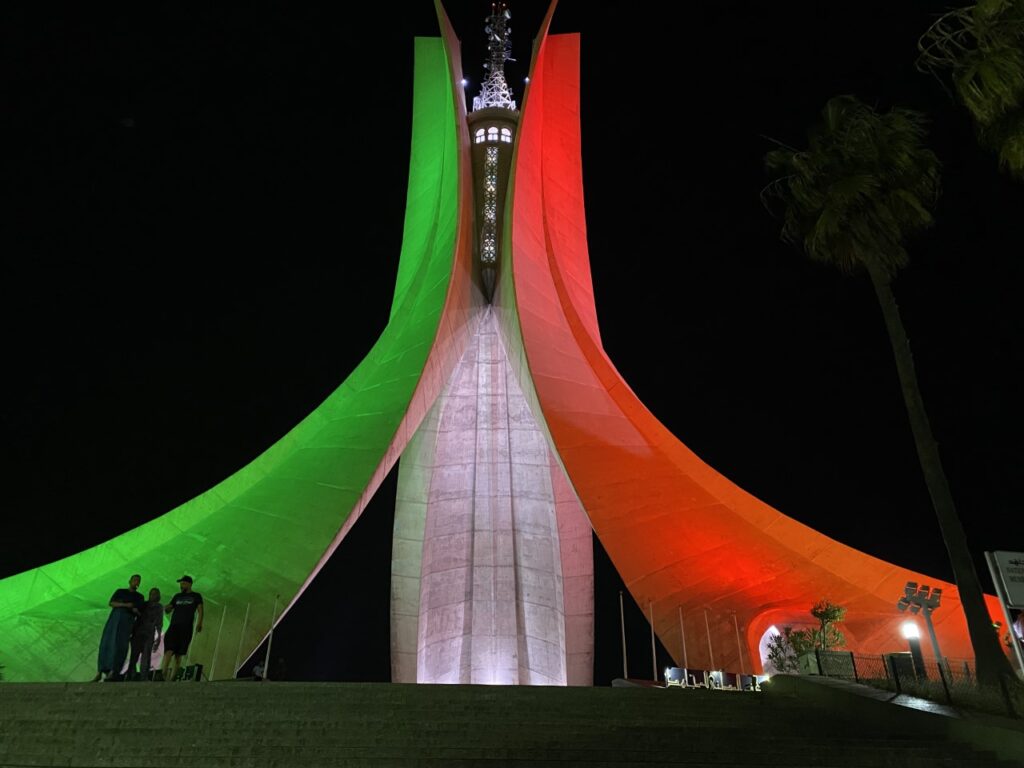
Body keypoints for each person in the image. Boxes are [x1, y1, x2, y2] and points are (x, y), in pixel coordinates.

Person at [92, 574, 144, 682]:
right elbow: (111, 603)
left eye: (138, 581)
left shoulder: (139, 597)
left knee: (119, 645)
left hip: (127, 622)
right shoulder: (120, 591)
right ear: (130, 581)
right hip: (114, 620)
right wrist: (125, 605)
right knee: (106, 643)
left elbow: (140, 612)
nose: (136, 582)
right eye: (134, 580)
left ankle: (113, 671)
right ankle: (99, 672)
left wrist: (135, 611)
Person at [160, 575, 203, 682]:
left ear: (189, 584)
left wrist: (199, 623)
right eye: (180, 583)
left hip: (186, 627)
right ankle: (162, 673)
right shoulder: (177, 596)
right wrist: (166, 608)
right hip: (174, 626)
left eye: (183, 583)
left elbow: (200, 610)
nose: (181, 585)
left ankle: (173, 678)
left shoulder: (196, 596)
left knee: (179, 654)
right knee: (169, 650)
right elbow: (169, 609)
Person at [127, 587, 164, 681]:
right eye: (152, 593)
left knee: (146, 657)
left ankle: (144, 677)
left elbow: (159, 623)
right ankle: (131, 675)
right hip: (137, 633)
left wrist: (158, 637)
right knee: (134, 655)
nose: (153, 595)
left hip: (149, 634)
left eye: (155, 593)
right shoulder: (144, 604)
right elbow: (136, 613)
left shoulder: (159, 607)